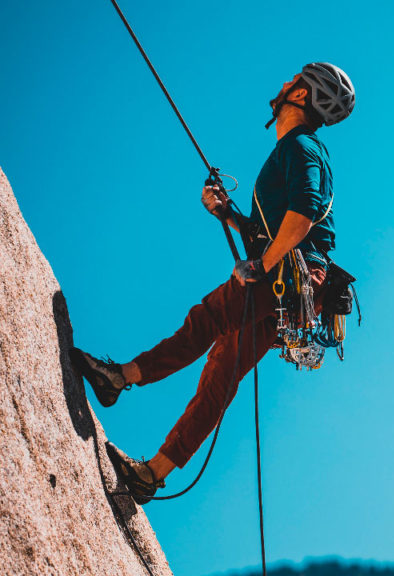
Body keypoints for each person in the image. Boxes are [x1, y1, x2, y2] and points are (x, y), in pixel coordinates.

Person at [71, 62, 355, 503]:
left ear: (301, 96)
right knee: (221, 372)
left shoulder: (301, 147)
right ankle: (153, 473)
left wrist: (261, 266)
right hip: (299, 291)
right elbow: (280, 227)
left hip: (286, 276)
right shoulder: (296, 149)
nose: (282, 84)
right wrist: (227, 214)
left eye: (292, 81)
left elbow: (301, 216)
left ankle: (117, 378)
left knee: (204, 322)